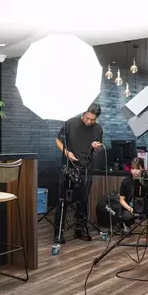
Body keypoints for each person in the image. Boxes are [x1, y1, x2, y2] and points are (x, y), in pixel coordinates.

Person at [53, 103, 103, 243]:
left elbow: (98, 149)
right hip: (69, 167)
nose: (89, 121)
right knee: (63, 200)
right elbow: (58, 140)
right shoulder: (70, 123)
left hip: (86, 169)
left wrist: (97, 147)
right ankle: (58, 233)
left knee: (83, 201)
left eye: (93, 119)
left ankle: (79, 230)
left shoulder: (98, 129)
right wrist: (67, 152)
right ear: (83, 113)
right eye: (87, 118)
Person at [119, 157, 148, 226]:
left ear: (142, 168)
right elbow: (121, 200)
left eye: (137, 169)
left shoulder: (147, 180)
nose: (134, 171)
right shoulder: (126, 181)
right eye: (132, 168)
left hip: (143, 208)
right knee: (127, 217)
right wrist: (130, 209)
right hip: (130, 208)